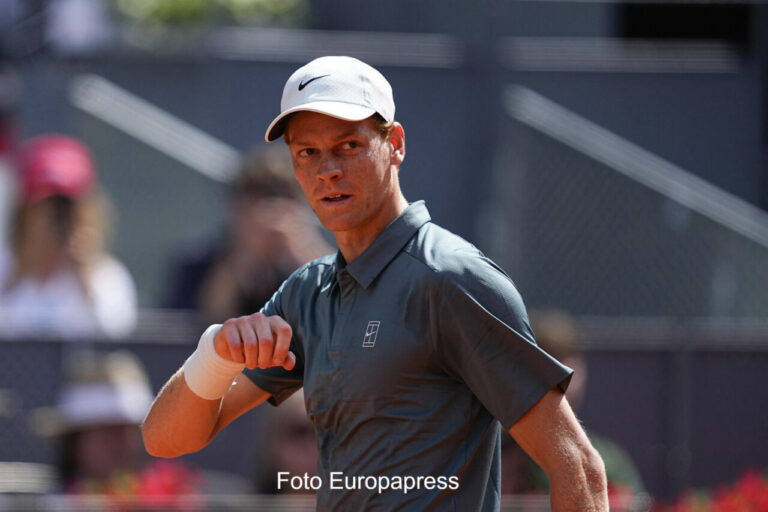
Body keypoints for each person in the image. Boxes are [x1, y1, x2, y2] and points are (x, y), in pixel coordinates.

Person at [142, 56, 608, 511]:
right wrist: (216, 353)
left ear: (395, 144)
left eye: (349, 145)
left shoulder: (453, 280)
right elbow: (166, 438)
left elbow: (579, 469)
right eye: (308, 152)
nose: (328, 169)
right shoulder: (307, 293)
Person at [165, 144, 331, 324]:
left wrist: (304, 253)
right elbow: (201, 325)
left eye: (285, 199)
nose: (270, 215)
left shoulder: (314, 258)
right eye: (258, 200)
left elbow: (343, 309)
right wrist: (242, 260)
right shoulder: (199, 259)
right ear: (235, 207)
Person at [0, 134, 137, 339]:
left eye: (67, 208)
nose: (57, 220)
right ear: (25, 210)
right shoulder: (5, 265)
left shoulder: (106, 276)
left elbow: (118, 338)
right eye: (46, 205)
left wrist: (85, 276)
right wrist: (17, 276)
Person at [501, 309, 645, 499]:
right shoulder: (493, 452)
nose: (565, 386)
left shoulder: (607, 462)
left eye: (570, 373)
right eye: (552, 370)